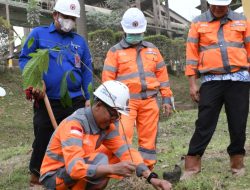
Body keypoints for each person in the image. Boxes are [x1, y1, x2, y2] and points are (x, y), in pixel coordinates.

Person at [39, 80, 172, 190]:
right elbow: (74, 169)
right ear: (98, 105)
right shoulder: (75, 125)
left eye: (117, 116)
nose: (114, 119)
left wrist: (151, 178)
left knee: (113, 156)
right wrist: (112, 169)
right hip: (54, 177)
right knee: (102, 162)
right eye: (113, 114)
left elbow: (127, 152)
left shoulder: (107, 126)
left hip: (73, 169)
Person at [19, 0, 92, 186]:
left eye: (73, 18)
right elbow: (25, 58)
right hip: (47, 99)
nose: (69, 21)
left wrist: (89, 98)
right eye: (66, 17)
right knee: (43, 134)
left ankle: (71, 172)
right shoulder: (38, 34)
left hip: (75, 99)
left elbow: (86, 71)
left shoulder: (79, 42)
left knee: (74, 136)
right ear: (55, 15)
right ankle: (36, 175)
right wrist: (35, 82)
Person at [182, 0, 250, 180]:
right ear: (210, 4)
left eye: (223, 5)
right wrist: (192, 84)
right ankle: (192, 166)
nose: (219, 8)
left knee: (238, 123)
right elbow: (191, 54)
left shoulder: (242, 20)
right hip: (211, 81)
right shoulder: (198, 22)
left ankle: (237, 163)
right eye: (215, 5)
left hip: (239, 80)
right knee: (204, 122)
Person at [102, 8, 173, 170]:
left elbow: (162, 76)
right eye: (132, 32)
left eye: (139, 32)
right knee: (121, 137)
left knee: (148, 140)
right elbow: (107, 80)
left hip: (149, 101)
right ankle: (120, 170)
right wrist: (109, 104)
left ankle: (146, 170)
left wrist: (167, 98)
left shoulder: (153, 49)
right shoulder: (115, 52)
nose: (136, 35)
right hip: (124, 105)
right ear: (124, 30)